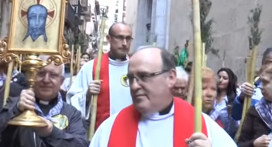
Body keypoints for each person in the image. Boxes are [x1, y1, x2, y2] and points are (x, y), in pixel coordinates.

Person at [89, 46, 237, 147]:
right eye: (131, 79)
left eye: (144, 76)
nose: (134, 85)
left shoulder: (201, 126)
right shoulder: (110, 129)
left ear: (171, 77)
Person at [0, 56, 89, 147]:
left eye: (53, 75)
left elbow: (81, 145)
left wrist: (51, 132)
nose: (46, 80)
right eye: (41, 73)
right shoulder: (15, 104)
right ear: (32, 76)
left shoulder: (72, 113)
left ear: (61, 81)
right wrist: (16, 109)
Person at [67, 22, 133, 130]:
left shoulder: (137, 67)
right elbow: (72, 101)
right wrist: (87, 95)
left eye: (128, 38)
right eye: (120, 38)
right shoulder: (92, 67)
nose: (125, 43)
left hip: (130, 130)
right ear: (108, 39)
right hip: (102, 132)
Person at [231, 48, 272, 121]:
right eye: (269, 62)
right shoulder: (252, 89)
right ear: (262, 65)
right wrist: (241, 98)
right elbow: (236, 116)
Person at [237, 63, 272, 147]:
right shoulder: (254, 112)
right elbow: (240, 144)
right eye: (261, 82)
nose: (261, 87)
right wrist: (254, 144)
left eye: (265, 82)